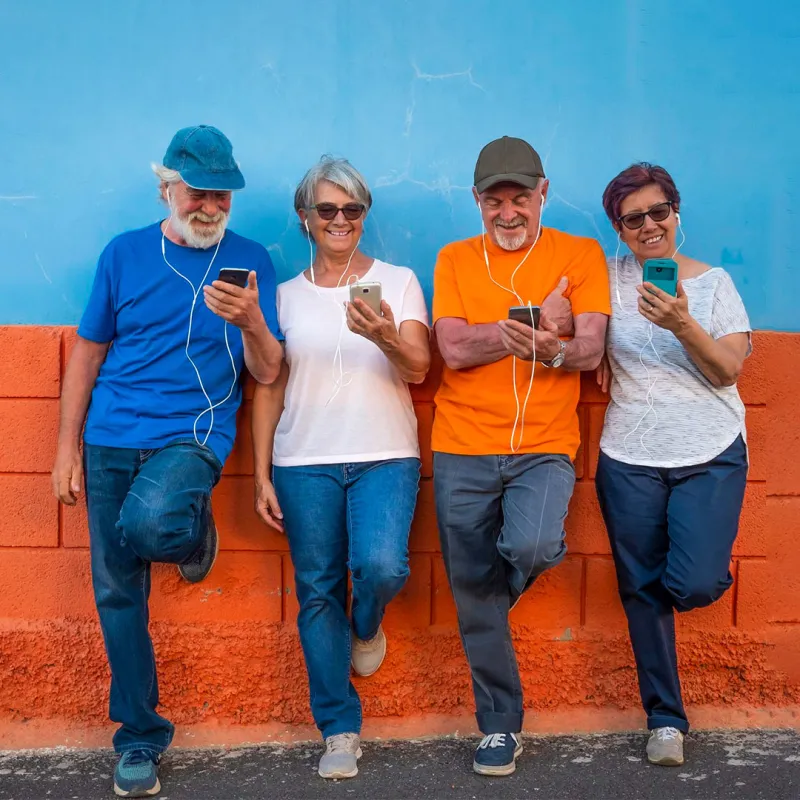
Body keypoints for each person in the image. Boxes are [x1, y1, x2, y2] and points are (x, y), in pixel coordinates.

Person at [50, 125, 283, 798]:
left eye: (221, 195)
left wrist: (252, 321)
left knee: (150, 525)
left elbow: (269, 371)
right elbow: (88, 352)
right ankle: (140, 737)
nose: (209, 206)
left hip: (194, 433)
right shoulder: (123, 254)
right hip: (110, 436)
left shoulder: (250, 261)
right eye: (196, 193)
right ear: (166, 189)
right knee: (116, 590)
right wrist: (66, 448)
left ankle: (188, 531)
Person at [432, 136, 611, 776]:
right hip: (461, 444)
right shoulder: (454, 258)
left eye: (519, 199)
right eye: (494, 201)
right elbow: (453, 350)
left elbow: (590, 349)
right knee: (473, 585)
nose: (507, 213)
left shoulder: (579, 254)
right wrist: (538, 326)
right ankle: (499, 725)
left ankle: (483, 603)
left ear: (543, 194)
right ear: (477, 201)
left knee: (531, 547)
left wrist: (552, 342)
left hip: (544, 446)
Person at [251, 156, 430, 780]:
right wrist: (261, 473)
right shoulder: (284, 296)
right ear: (305, 217)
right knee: (317, 591)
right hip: (303, 461)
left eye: (352, 209)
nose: (340, 219)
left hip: (385, 454)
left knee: (382, 567)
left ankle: (367, 624)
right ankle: (338, 728)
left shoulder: (397, 281)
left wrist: (383, 335)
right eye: (327, 209)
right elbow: (269, 385)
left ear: (364, 214)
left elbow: (418, 368)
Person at [595, 162, 751, 767]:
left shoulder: (713, 285)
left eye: (658, 212)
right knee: (640, 590)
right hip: (628, 456)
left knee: (694, 582)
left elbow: (726, 370)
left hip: (709, 451)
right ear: (619, 229)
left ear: (676, 213)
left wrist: (682, 322)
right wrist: (588, 348)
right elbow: (575, 327)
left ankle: (693, 573)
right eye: (632, 219)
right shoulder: (605, 278)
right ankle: (665, 719)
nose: (648, 226)